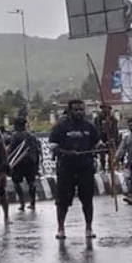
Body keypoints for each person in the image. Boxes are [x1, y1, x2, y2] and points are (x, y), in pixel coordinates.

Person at [48, 99, 100, 240]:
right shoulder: (60, 127)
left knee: (87, 199)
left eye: (81, 109)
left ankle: (89, 228)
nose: (79, 112)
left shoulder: (89, 127)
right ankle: (60, 228)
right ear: (70, 111)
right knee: (62, 201)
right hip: (66, 168)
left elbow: (97, 144)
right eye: (76, 110)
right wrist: (66, 152)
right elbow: (52, 146)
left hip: (85, 167)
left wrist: (99, 148)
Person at [7, 116, 42, 211]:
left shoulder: (15, 136)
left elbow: (11, 149)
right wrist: (37, 164)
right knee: (31, 182)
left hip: (19, 163)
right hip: (31, 162)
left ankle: (22, 203)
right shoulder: (32, 136)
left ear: (16, 125)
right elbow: (38, 150)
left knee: (17, 183)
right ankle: (32, 202)